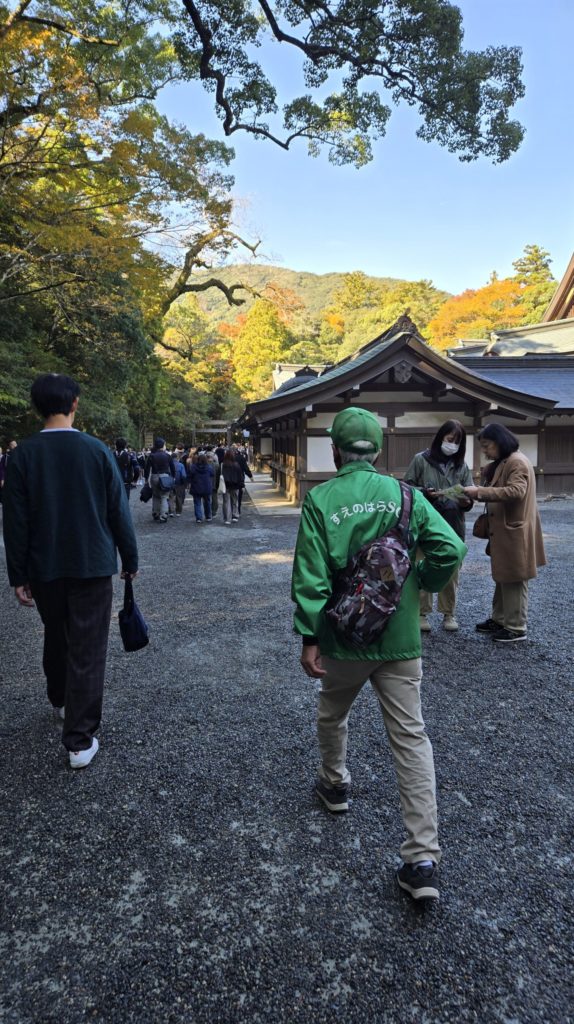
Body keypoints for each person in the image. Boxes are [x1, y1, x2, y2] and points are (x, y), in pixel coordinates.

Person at [291, 407, 466, 902]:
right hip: (400, 638)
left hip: (344, 639)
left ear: (335, 450)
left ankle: (335, 785)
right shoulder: (406, 495)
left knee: (333, 713)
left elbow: (310, 577)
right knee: (410, 738)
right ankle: (422, 859)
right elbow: (451, 548)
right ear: (378, 450)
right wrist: (420, 583)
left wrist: (309, 638)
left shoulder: (321, 499)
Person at [2, 373, 138, 769]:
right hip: (92, 563)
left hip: (44, 566)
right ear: (74, 403)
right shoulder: (96, 451)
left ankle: (61, 698)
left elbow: (15, 522)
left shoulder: (23, 455)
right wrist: (129, 559)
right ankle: (79, 740)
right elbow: (118, 511)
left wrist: (18, 575)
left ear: (36, 407)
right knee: (88, 646)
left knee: (57, 633)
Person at [463, 423, 546, 643]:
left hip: (515, 530)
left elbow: (516, 491)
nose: (485, 451)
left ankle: (516, 627)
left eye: (487, 446)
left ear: (500, 442)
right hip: (508, 530)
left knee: (515, 578)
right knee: (504, 575)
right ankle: (500, 619)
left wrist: (479, 492)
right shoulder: (508, 460)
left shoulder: (516, 461)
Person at [404, 420, 473, 632]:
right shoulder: (421, 460)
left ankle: (449, 614)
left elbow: (470, 493)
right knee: (422, 565)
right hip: (425, 522)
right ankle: (421, 613)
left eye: (457, 442)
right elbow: (407, 487)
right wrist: (424, 492)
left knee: (451, 571)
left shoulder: (461, 465)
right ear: (440, 437)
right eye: (450, 439)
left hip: (453, 524)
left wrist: (465, 500)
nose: (452, 445)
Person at [145, 438, 175, 522]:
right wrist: (173, 477)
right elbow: (172, 468)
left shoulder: (151, 456)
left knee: (155, 496)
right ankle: (163, 515)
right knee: (164, 496)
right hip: (165, 477)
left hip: (154, 476)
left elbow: (147, 468)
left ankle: (156, 513)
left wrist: (146, 479)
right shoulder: (167, 456)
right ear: (163, 445)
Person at [188, 452, 214, 522]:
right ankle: (208, 516)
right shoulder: (209, 467)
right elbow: (212, 474)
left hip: (196, 486)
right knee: (207, 502)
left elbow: (190, 476)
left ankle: (199, 518)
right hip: (206, 486)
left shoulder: (193, 467)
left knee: (197, 503)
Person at [221, 448, 243, 524]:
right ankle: (235, 516)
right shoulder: (236, 465)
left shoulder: (223, 465)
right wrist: (241, 484)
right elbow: (240, 476)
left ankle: (227, 518)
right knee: (235, 501)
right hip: (235, 485)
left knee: (226, 502)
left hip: (225, 485)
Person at [233, 445, 253, 516]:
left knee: (230, 497)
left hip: (229, 479)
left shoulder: (229, 459)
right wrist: (250, 476)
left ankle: (231, 511)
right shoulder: (241, 458)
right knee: (239, 496)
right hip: (240, 479)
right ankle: (238, 510)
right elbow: (245, 468)